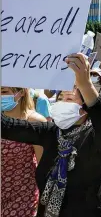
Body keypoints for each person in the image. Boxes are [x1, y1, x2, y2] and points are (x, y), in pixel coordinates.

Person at [1, 53, 101, 217]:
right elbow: (7, 126)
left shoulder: (93, 137)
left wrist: (85, 84)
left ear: (85, 108)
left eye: (69, 98)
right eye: (60, 98)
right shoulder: (49, 132)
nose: (62, 103)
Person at [1, 87, 47, 217]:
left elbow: (44, 167)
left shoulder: (35, 122)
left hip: (22, 196)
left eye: (3, 91)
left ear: (21, 92)